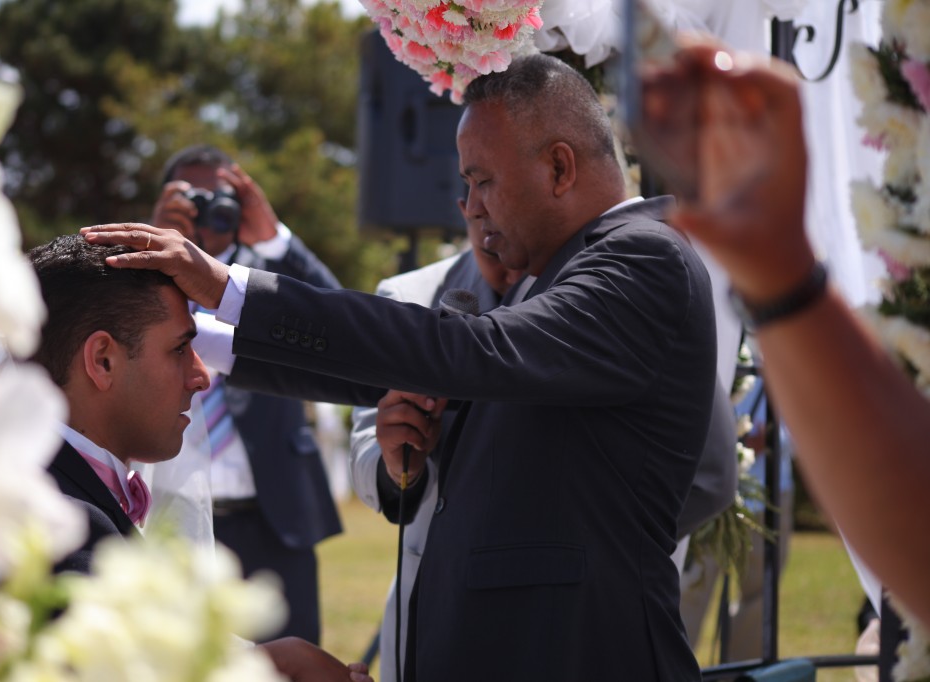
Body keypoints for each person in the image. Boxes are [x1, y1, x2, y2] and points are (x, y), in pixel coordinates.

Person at [85, 53, 721, 681]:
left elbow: (463, 354)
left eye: (483, 180)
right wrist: (202, 339)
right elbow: (423, 380)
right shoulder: (549, 278)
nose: (469, 208)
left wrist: (228, 287)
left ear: (559, 166)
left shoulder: (642, 259)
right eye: (464, 186)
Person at [633, 43, 930, 627]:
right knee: (697, 591)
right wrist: (777, 270)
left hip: (782, 472)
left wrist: (780, 274)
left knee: (757, 600)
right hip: (759, 468)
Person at [28, 234, 371, 682]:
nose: (201, 376)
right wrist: (273, 666)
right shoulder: (60, 522)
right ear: (103, 361)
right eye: (178, 348)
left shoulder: (63, 487)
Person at [151, 144, 342, 643]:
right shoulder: (146, 274)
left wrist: (274, 236)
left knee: (292, 659)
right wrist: (159, 237)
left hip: (274, 517)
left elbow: (346, 322)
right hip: (178, 517)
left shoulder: (271, 271)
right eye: (195, 199)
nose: (210, 211)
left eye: (222, 197)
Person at [349, 199, 524, 682]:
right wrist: (393, 462)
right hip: (435, 597)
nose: (508, 266)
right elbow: (364, 449)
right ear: (464, 210)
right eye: (491, 250)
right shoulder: (407, 295)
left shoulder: (577, 291)